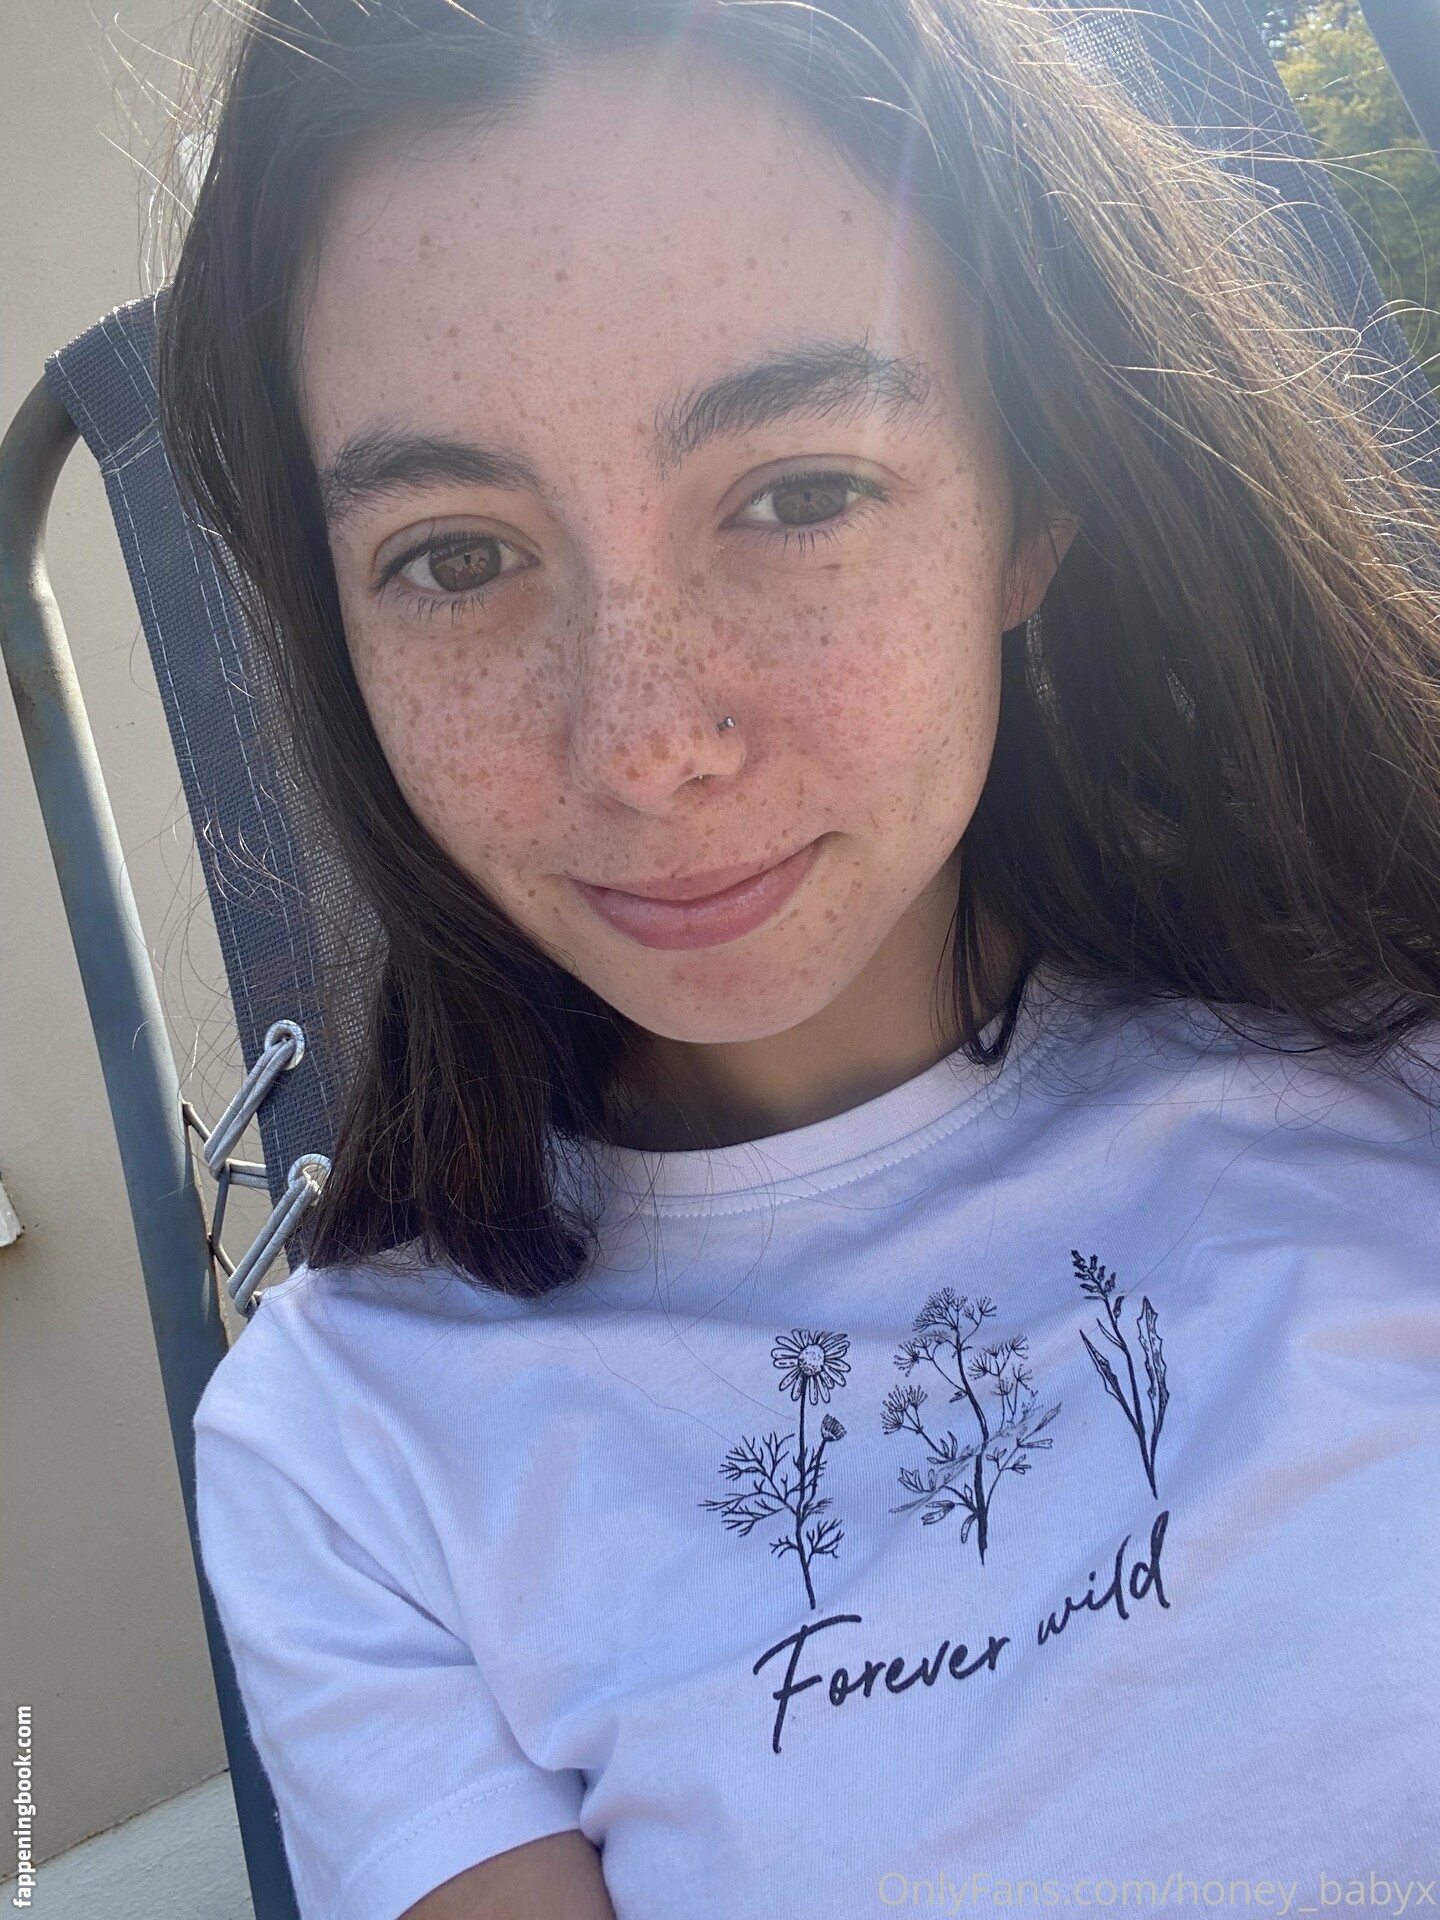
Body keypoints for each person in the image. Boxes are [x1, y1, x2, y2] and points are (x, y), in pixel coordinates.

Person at [161, 0, 1440, 1913]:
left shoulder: (1389, 1063)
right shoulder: (350, 1461)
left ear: (1035, 500)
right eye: (455, 556)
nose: (642, 744)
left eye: (802, 494)